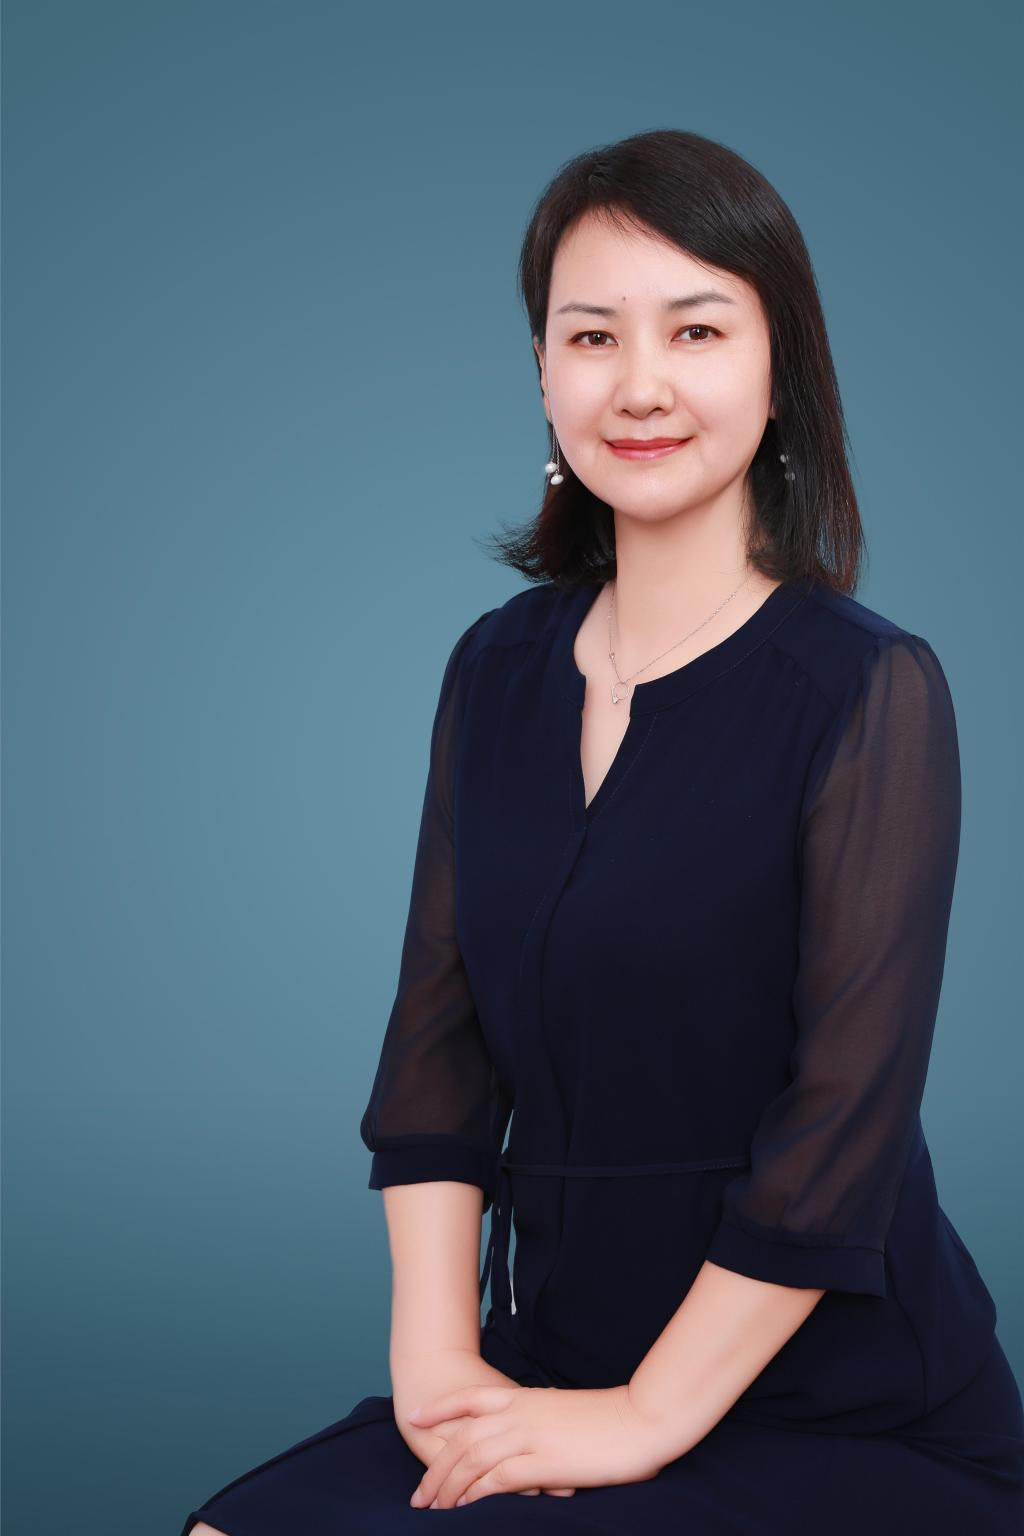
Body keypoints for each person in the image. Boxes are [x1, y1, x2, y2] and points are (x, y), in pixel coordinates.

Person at [180, 128, 1024, 1534]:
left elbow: (843, 1127)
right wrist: (439, 1367)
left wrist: (642, 1420)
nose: (639, 384)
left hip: (837, 1407)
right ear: (543, 372)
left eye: (696, 329)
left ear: (780, 367)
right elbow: (437, 1055)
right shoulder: (495, 668)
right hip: (553, 1358)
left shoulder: (870, 690)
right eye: (591, 336)